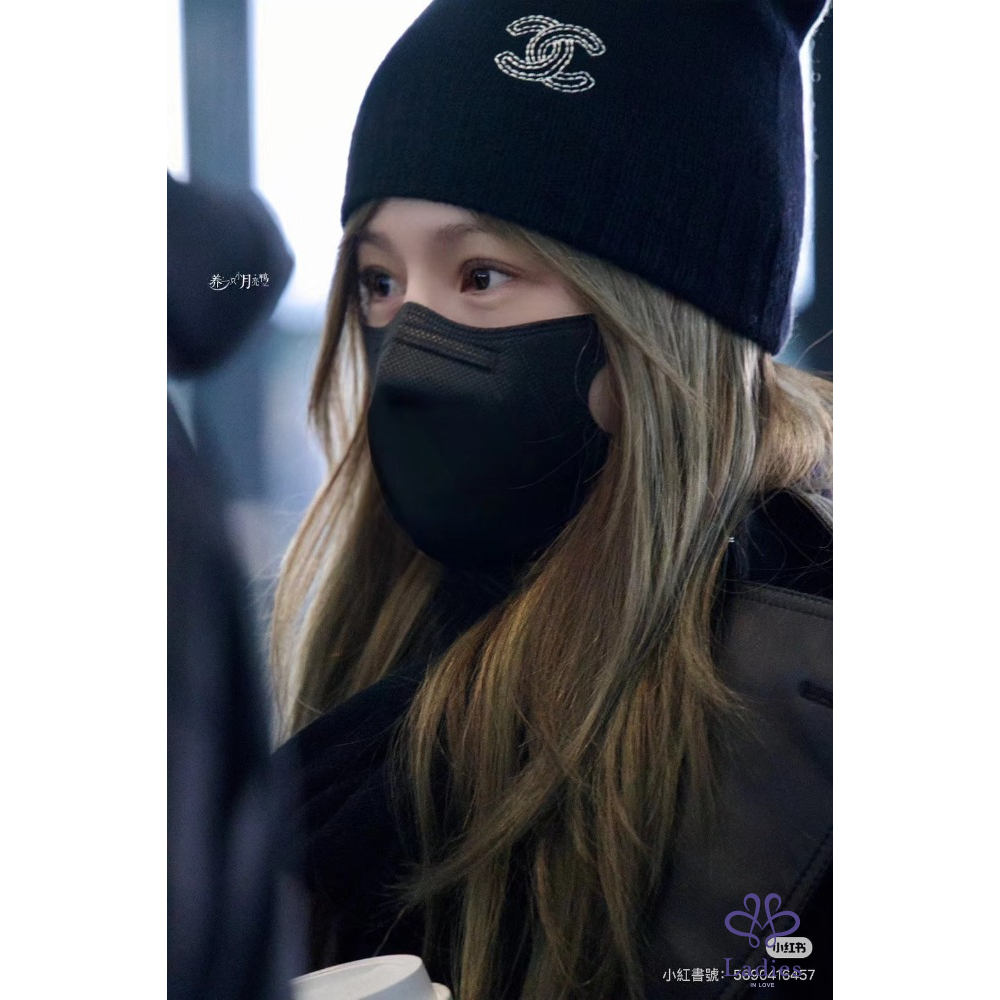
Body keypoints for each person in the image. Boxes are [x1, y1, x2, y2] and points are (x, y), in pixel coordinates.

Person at [271, 2, 832, 998]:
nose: (407, 344)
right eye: (378, 281)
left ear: (658, 327)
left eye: (481, 274)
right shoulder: (376, 692)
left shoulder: (813, 733)